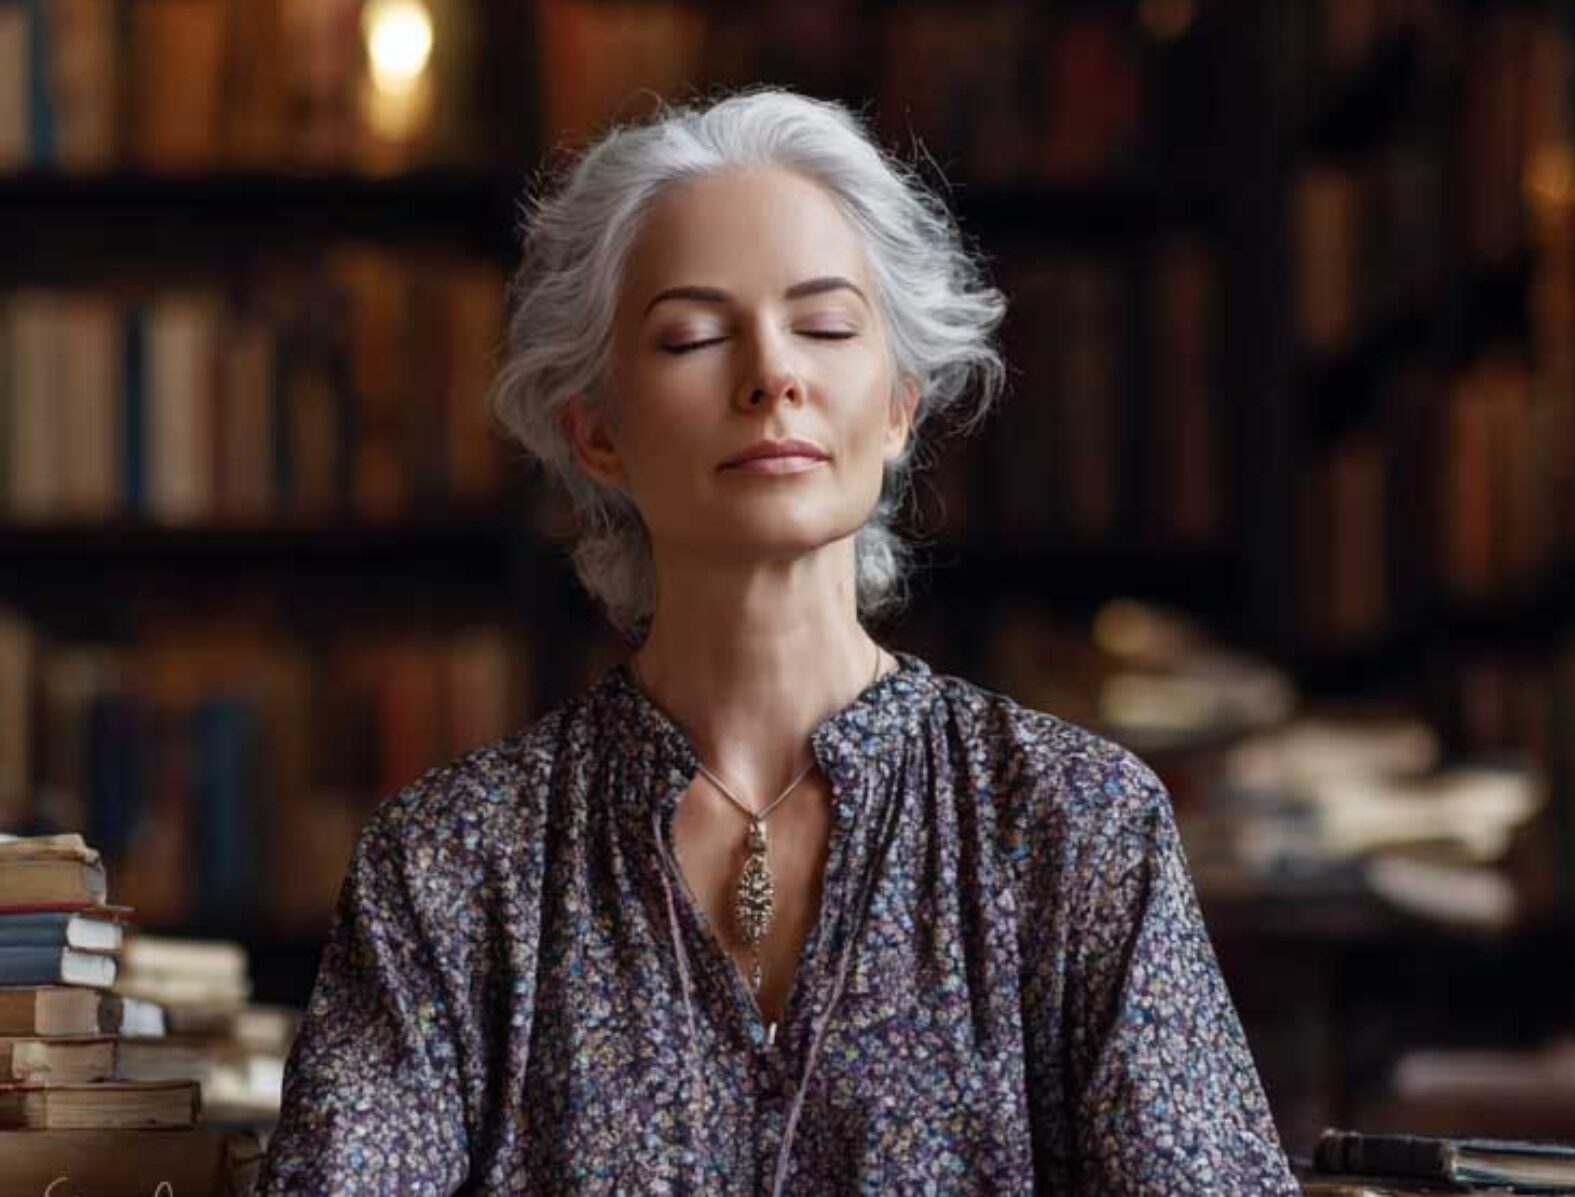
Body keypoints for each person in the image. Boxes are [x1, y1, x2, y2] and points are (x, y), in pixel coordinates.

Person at [258, 86, 1298, 1196]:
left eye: (827, 326)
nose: (772, 376)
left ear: (898, 403)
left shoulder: (1074, 829)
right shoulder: (453, 866)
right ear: (596, 432)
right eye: (693, 337)